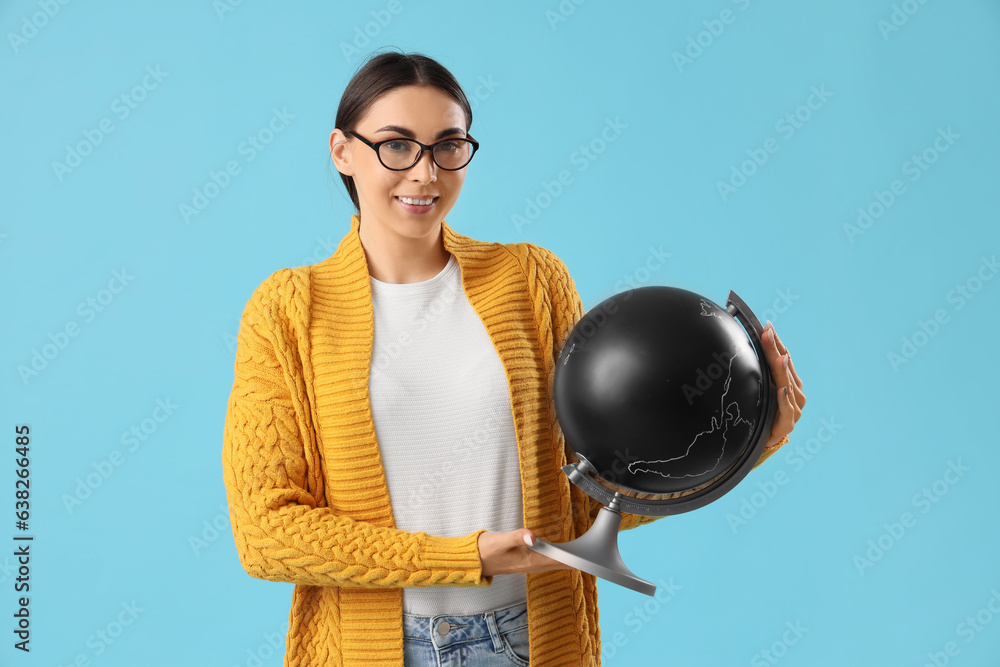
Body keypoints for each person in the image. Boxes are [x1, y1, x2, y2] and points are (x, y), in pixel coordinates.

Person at [221, 49, 805, 667]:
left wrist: (747, 442)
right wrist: (463, 558)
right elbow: (266, 532)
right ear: (342, 151)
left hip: (532, 640)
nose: (425, 173)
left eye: (448, 145)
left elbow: (586, 496)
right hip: (367, 650)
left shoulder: (530, 281)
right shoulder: (288, 311)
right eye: (397, 145)